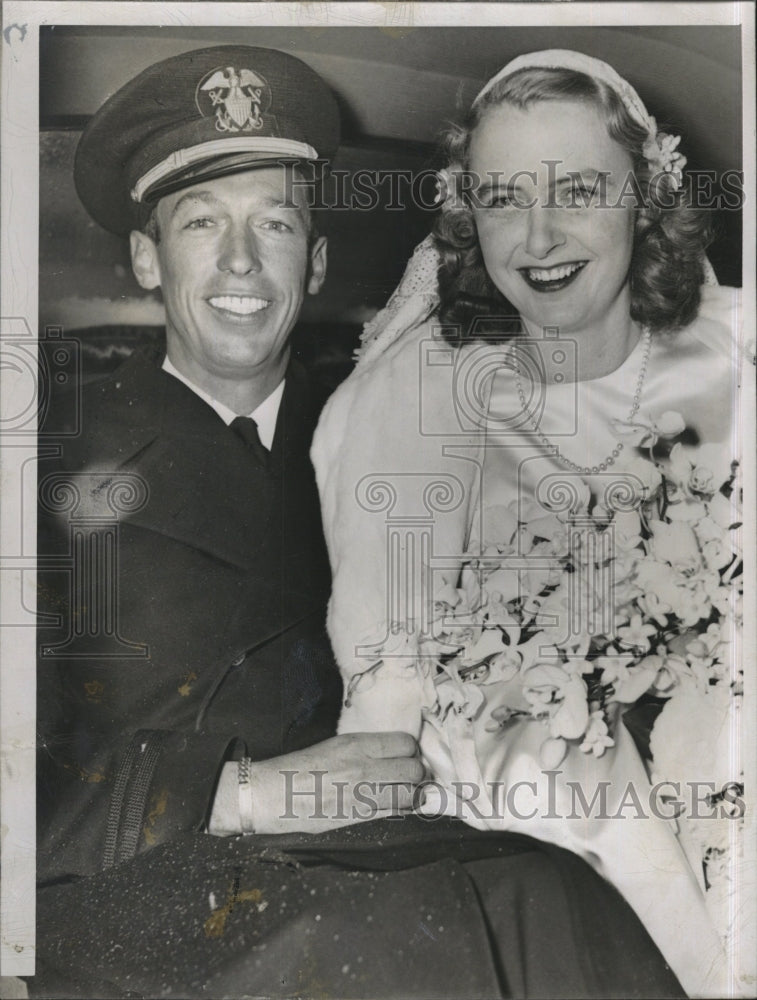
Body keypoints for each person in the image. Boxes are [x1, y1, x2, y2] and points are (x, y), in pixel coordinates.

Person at [35, 45, 686, 999]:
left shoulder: (387, 425)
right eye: (201, 223)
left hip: (395, 844)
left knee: (556, 900)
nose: (242, 262)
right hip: (141, 892)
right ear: (144, 255)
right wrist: (242, 793)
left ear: (319, 257)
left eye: (277, 224)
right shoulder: (41, 456)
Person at [313, 50, 745, 998]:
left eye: (580, 189)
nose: (538, 236)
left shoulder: (735, 366)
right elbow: (386, 694)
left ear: (645, 196)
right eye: (504, 198)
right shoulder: (415, 404)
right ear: (469, 217)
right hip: (526, 807)